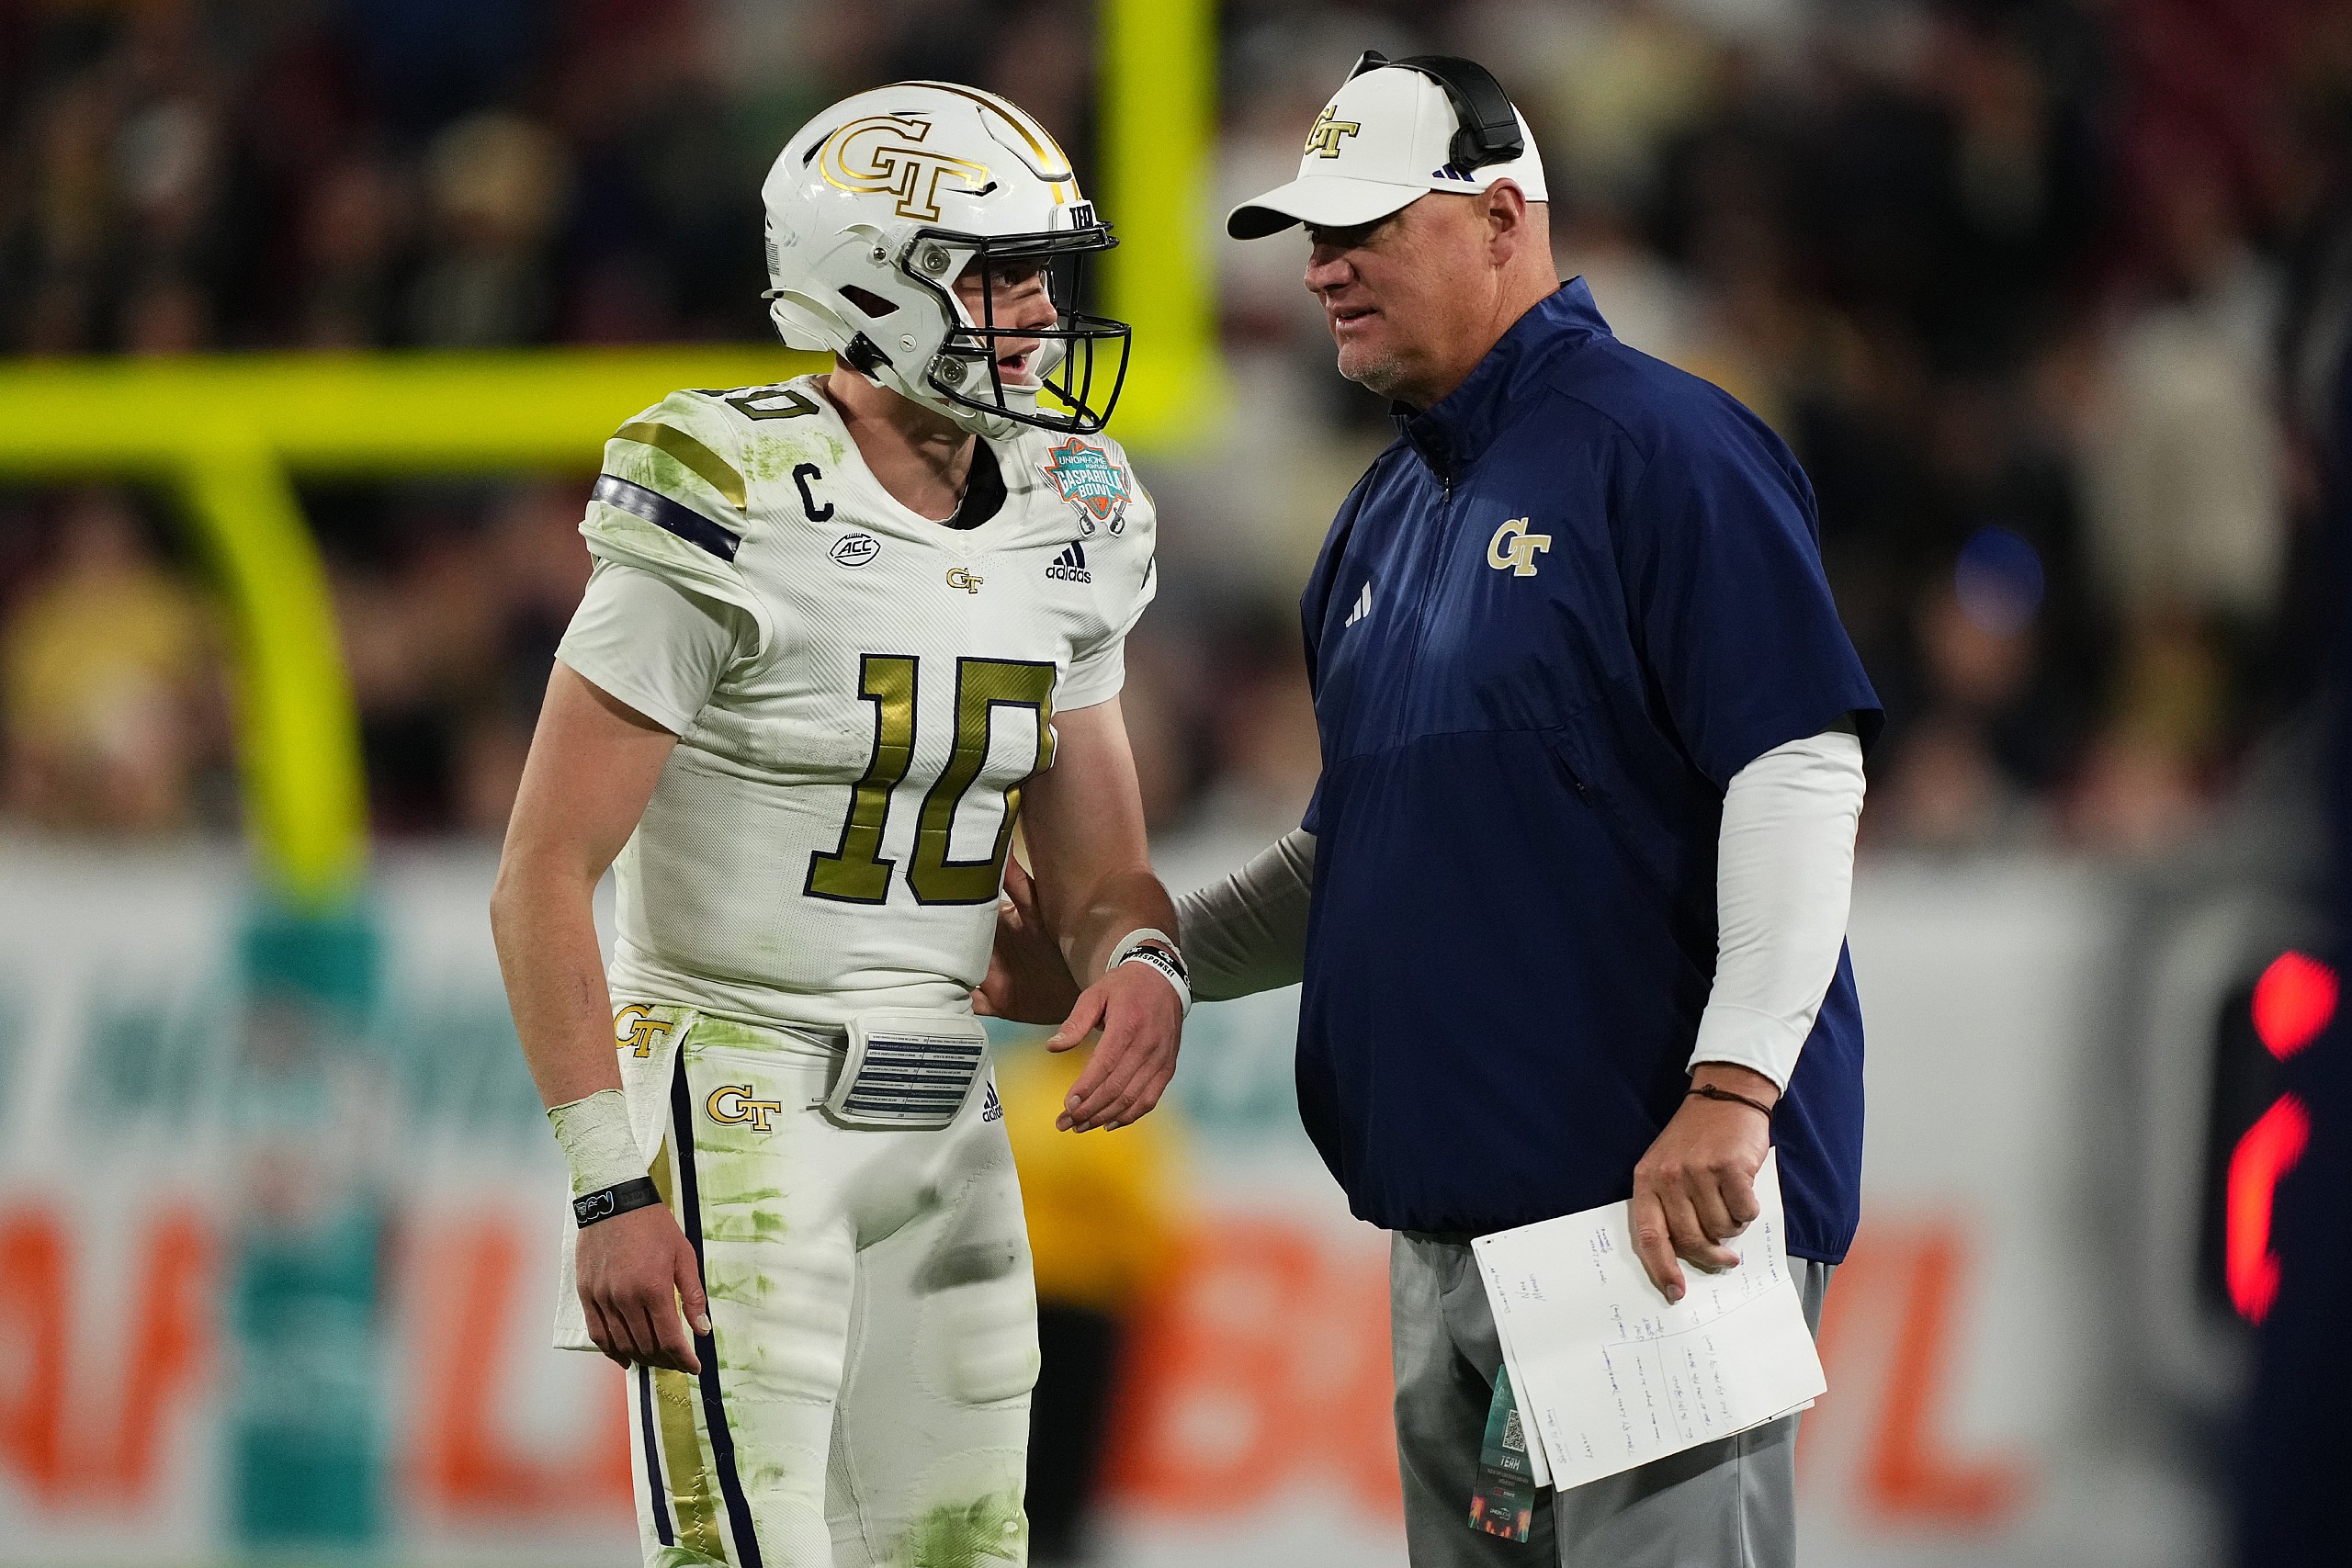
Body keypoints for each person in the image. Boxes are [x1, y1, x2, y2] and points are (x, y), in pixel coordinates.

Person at [984, 52, 1878, 1568]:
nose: (1321, 269)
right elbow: (1359, 863)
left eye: (1366, 227)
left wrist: (1733, 1089)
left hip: (1649, 1214)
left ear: (1502, 216)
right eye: (1310, 236)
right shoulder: (1384, 514)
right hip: (1448, 1235)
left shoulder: (1665, 448)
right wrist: (1142, 959)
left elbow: (1800, 769)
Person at [491, 82, 1191, 1568]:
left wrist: (1143, 959)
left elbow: (1099, 875)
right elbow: (543, 873)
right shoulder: (728, 485)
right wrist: (612, 1181)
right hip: (740, 1088)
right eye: (995, 274)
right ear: (869, 279)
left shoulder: (1076, 508)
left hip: (947, 1112)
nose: (1038, 317)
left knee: (964, 1553)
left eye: (1043, 277)